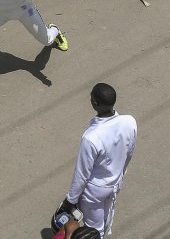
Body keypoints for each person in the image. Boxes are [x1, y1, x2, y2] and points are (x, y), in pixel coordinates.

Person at [57, 83, 137, 238]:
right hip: (115, 184)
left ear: (95, 103)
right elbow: (129, 152)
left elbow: (82, 174)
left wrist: (70, 201)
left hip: (94, 192)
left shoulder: (91, 137)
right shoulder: (129, 121)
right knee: (107, 220)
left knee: (93, 232)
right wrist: (119, 175)